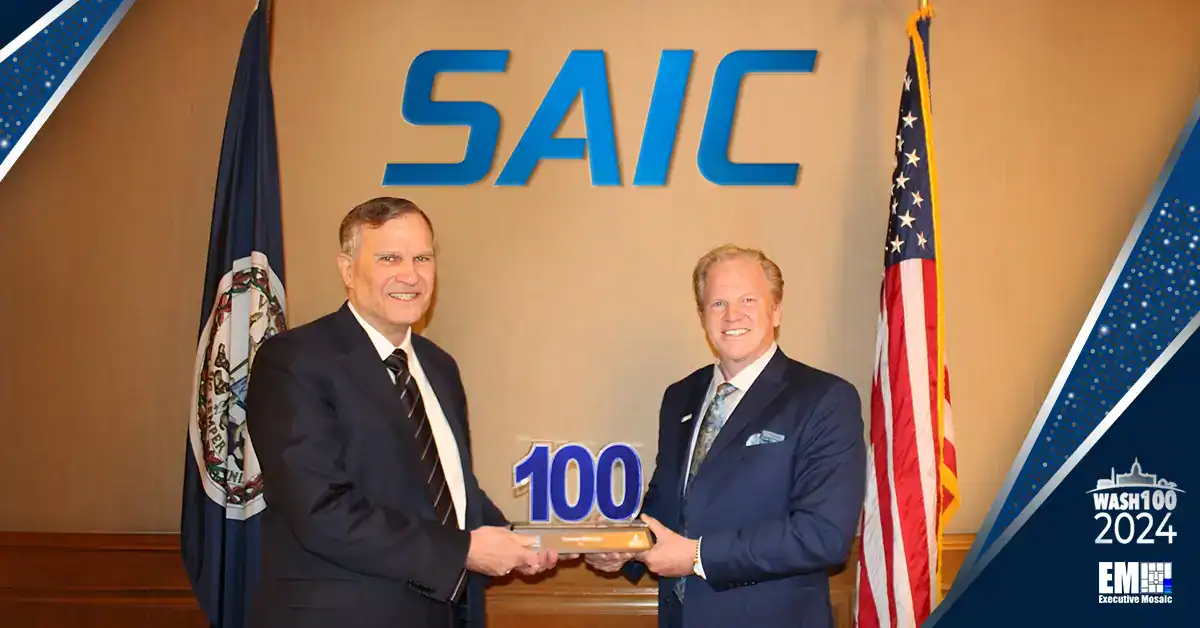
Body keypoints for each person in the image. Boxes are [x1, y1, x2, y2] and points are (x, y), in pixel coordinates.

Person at [245, 197, 558, 628]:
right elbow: (319, 510)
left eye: (422, 258)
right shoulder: (294, 360)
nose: (410, 275)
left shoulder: (439, 366)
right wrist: (465, 550)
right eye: (389, 258)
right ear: (347, 270)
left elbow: (449, 490)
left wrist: (521, 542)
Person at [586, 244, 867, 628]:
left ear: (776, 310)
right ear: (702, 316)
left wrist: (697, 557)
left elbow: (824, 535)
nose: (732, 314)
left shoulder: (824, 398)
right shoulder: (680, 396)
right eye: (717, 303)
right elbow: (669, 504)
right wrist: (624, 546)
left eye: (748, 299)